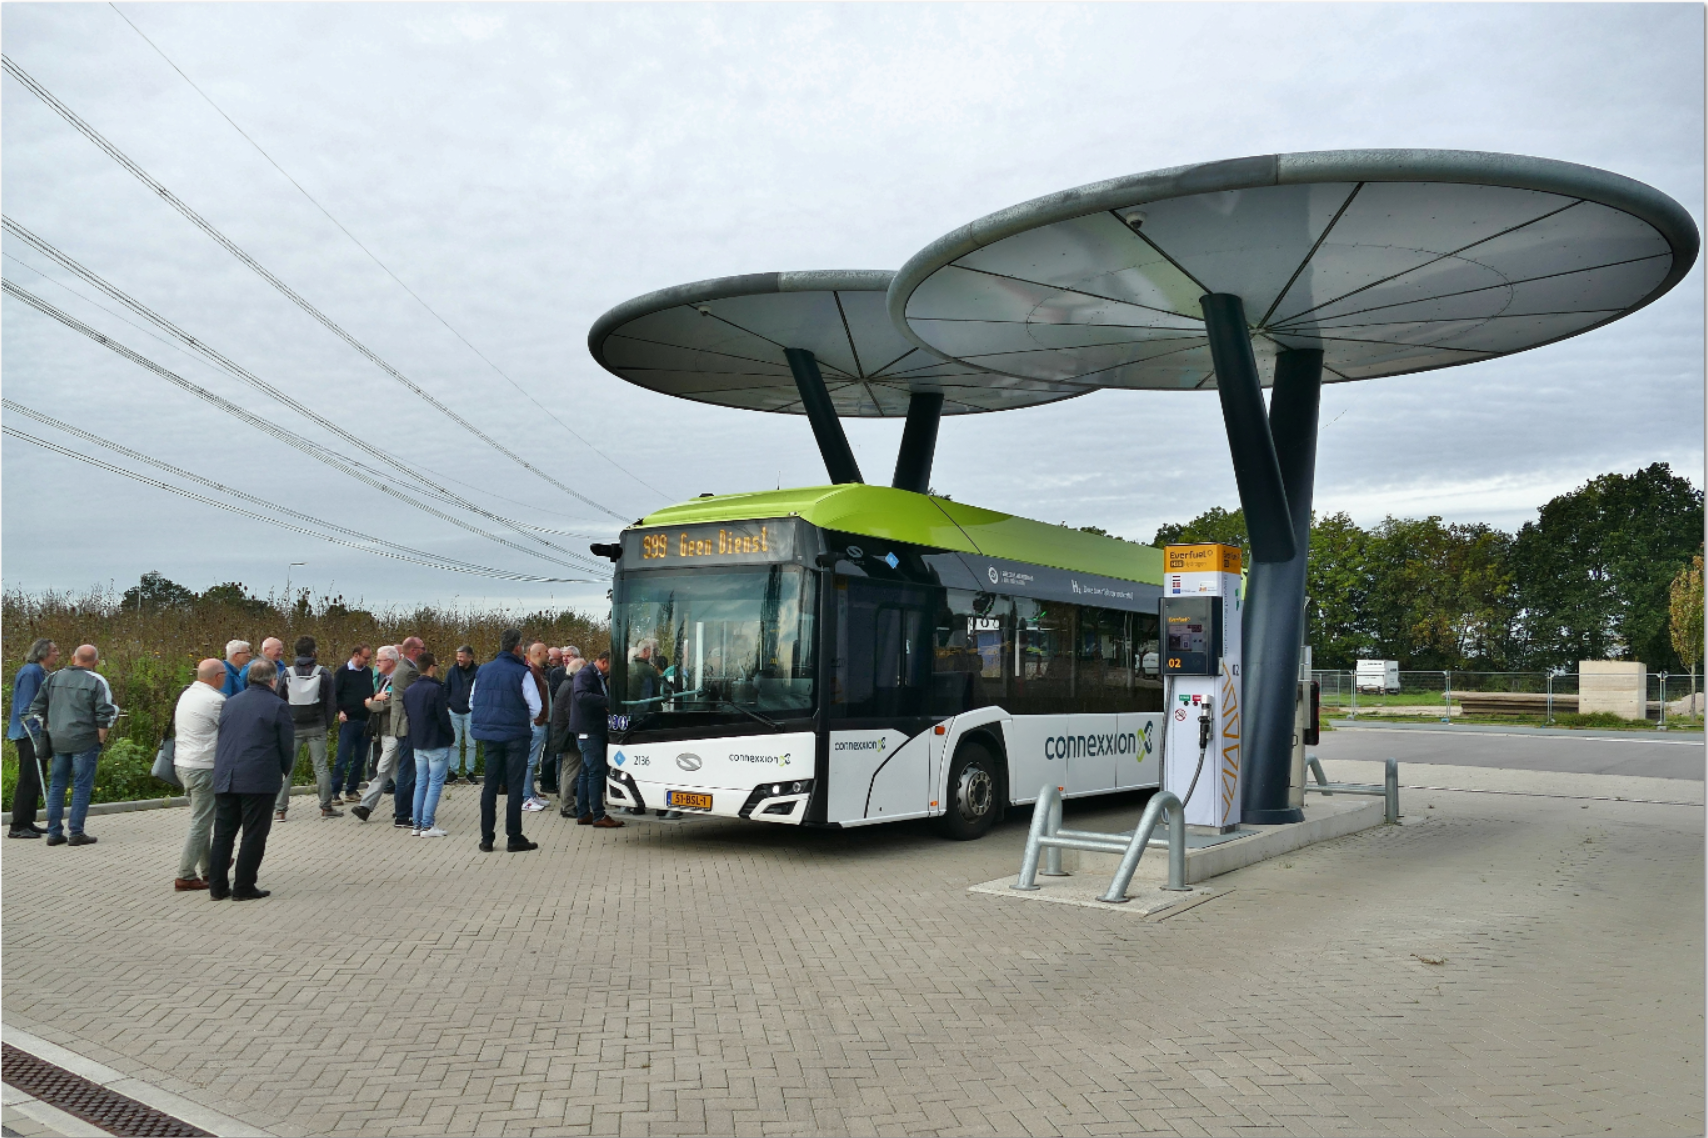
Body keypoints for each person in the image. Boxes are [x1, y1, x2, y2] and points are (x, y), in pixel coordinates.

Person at [208, 658, 293, 900]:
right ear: (273, 680)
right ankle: (244, 886)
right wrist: (285, 770)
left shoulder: (229, 703)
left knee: (224, 833)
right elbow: (286, 746)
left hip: (225, 775)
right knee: (253, 833)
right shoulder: (277, 706)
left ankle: (217, 886)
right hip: (258, 777)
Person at [28, 644, 118, 846]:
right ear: (95, 662)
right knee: (81, 786)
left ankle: (53, 833)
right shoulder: (97, 681)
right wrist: (100, 739)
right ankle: (76, 832)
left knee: (57, 785)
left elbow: (37, 708)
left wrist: (50, 727)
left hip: (58, 740)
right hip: (85, 740)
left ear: (72, 658)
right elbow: (106, 713)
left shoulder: (53, 678)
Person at [472, 629, 539, 852]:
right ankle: (514, 836)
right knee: (515, 786)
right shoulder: (522, 672)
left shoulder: (483, 670)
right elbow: (535, 707)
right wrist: (520, 717)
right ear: (518, 648)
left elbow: (473, 702)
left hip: (490, 734)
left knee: (490, 786)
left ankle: (486, 838)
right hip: (516, 734)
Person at [172, 659, 227, 890]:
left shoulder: (187, 694)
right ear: (218, 676)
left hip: (182, 764)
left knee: (202, 820)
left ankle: (209, 869)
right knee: (201, 822)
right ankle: (185, 874)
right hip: (203, 766)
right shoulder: (216, 700)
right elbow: (229, 731)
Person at [275, 636, 340, 821]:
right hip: (316, 725)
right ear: (313, 652)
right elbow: (331, 703)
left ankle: (280, 810)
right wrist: (325, 724)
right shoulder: (324, 673)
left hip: (293, 726)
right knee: (320, 767)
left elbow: (279, 700)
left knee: (287, 768)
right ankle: (326, 807)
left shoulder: (286, 673)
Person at [8, 638, 59, 839]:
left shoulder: (41, 672)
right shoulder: (31, 673)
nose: (57, 654)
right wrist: (38, 735)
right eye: (54, 650)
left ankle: (27, 821)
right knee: (29, 778)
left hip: (38, 733)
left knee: (36, 777)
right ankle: (18, 825)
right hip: (28, 734)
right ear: (43, 653)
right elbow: (27, 709)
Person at [405, 651, 455, 837]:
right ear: (431, 667)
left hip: (418, 741)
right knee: (435, 783)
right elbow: (443, 717)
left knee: (421, 782)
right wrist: (451, 736)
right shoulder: (436, 690)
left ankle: (417, 824)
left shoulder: (409, 691)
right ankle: (428, 824)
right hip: (436, 741)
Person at [570, 651, 621, 828]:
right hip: (588, 731)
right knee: (596, 771)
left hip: (591, 730)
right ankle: (598, 814)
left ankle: (584, 813)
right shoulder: (585, 674)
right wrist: (607, 701)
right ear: (605, 662)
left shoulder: (595, 676)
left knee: (586, 771)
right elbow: (581, 696)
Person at [350, 647, 399, 822]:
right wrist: (375, 699)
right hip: (383, 731)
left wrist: (371, 703)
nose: (376, 663)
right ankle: (407, 804)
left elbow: (385, 705)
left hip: (393, 731)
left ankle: (365, 807)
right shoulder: (384, 679)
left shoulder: (397, 681)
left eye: (379, 660)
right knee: (396, 774)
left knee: (382, 770)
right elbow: (377, 698)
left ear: (390, 661)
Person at [389, 636, 424, 827]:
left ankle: (404, 810)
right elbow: (418, 695)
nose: (424, 651)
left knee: (407, 770)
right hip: (406, 725)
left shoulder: (404, 668)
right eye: (423, 648)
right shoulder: (409, 671)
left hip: (402, 724)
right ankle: (403, 814)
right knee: (407, 771)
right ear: (414, 651)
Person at [332, 644, 375, 802]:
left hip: (365, 720)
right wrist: (340, 711)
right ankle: (334, 792)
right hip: (349, 720)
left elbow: (370, 691)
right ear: (356, 655)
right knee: (342, 758)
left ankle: (352, 789)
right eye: (365, 657)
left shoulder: (368, 672)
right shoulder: (343, 672)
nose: (367, 661)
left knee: (360, 758)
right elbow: (335, 694)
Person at [549, 656, 586, 819]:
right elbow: (572, 713)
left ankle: (566, 803)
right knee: (570, 769)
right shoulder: (572, 687)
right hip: (569, 734)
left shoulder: (566, 684)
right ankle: (568, 805)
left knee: (566, 769)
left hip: (562, 732)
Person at [523, 642, 552, 811]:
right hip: (536, 723)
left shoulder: (539, 672)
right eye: (547, 651)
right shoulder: (532, 672)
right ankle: (527, 797)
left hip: (539, 722)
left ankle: (531, 794)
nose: (549, 654)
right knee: (530, 761)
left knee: (532, 761)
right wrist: (539, 718)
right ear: (538, 653)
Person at [444, 645, 478, 784]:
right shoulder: (452, 671)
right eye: (458, 656)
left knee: (471, 743)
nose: (459, 659)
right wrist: (447, 705)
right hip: (454, 711)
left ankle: (470, 771)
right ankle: (453, 771)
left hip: (471, 711)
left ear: (470, 657)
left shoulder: (478, 671)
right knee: (454, 743)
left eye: (462, 656)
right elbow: (446, 688)